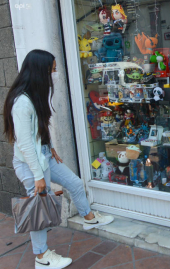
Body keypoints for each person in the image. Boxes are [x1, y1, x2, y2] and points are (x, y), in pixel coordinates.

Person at [2, 50, 115, 269]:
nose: (53, 75)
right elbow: (25, 144)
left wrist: (50, 147)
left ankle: (89, 217)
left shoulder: (34, 95)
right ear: (40, 71)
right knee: (39, 206)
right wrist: (37, 176)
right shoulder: (22, 103)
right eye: (52, 70)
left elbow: (40, 128)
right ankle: (42, 256)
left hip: (43, 155)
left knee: (74, 182)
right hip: (30, 163)